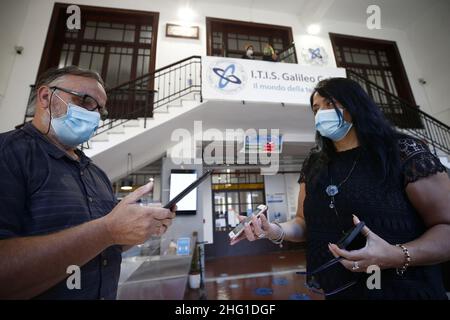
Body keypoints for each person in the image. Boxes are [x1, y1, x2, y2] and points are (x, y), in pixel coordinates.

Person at [231, 77, 450, 299]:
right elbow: (303, 223)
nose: (320, 113)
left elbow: (446, 226)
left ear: (355, 105)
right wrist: (274, 230)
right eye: (316, 108)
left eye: (329, 103)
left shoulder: (402, 152)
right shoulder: (315, 163)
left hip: (406, 291)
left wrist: (397, 255)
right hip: (339, 290)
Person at [0, 66, 176, 299]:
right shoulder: (8, 154)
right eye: (85, 101)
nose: (94, 115)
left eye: (100, 110)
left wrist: (136, 231)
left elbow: (105, 244)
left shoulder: (96, 173)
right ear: (45, 96)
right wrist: (107, 230)